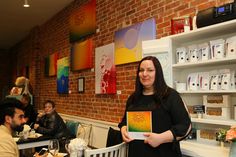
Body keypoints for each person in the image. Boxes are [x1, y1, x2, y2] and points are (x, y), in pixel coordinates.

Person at [118, 56, 191, 157]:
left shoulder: (170, 96)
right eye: (141, 70)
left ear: (158, 73)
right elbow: (124, 121)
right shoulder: (133, 98)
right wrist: (124, 129)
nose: (144, 74)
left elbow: (184, 125)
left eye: (150, 70)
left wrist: (161, 138)